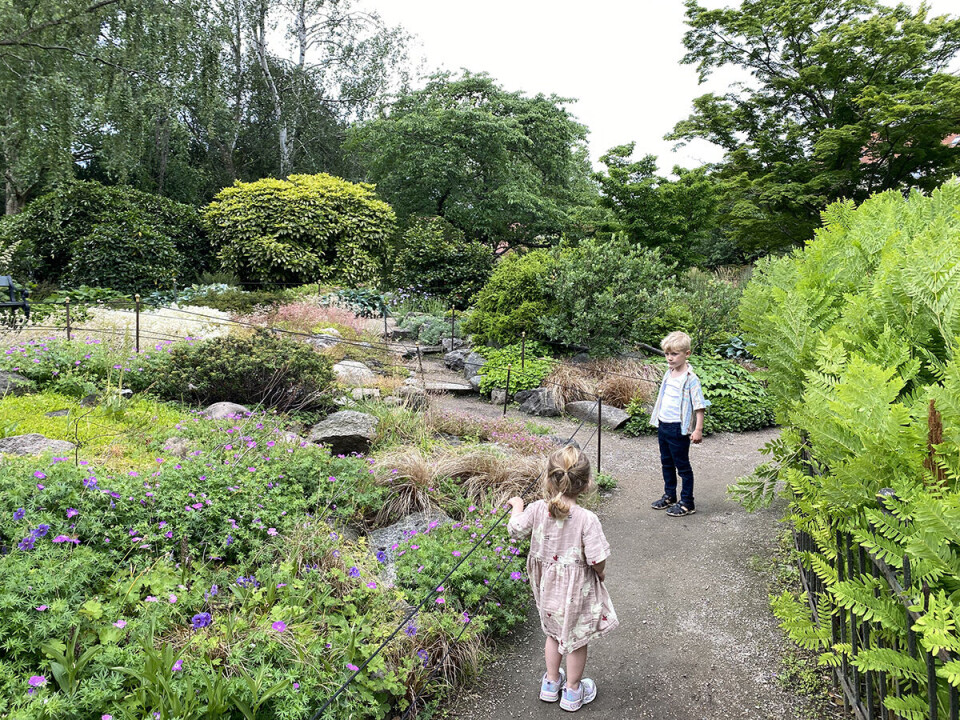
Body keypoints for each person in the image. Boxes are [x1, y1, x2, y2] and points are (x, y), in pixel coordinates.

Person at [507, 445, 618, 712]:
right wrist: (601, 573)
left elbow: (515, 530)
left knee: (553, 633)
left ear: (548, 478)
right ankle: (571, 691)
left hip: (546, 588)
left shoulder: (535, 510)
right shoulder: (586, 519)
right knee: (576, 638)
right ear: (587, 483)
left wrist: (517, 506)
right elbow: (596, 558)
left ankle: (550, 683)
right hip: (577, 590)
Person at [648, 330, 709, 517]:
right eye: (667, 354)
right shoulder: (669, 373)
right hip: (663, 424)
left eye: (674, 354)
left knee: (682, 466)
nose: (670, 358)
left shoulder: (691, 379)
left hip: (678, 428)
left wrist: (698, 429)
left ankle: (687, 502)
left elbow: (699, 406)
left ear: (687, 354)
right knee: (666, 463)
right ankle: (669, 495)